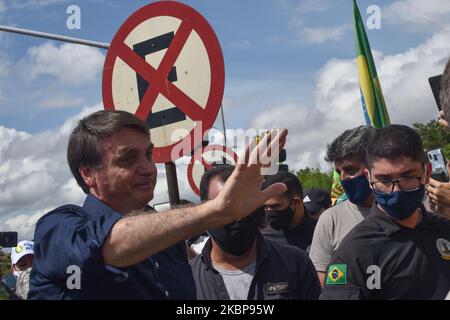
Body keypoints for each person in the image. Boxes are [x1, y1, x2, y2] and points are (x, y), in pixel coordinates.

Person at [28, 110, 288, 300]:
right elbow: (109, 246)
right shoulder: (59, 229)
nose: (148, 168)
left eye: (148, 155)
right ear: (88, 174)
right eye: (128, 159)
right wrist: (218, 210)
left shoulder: (169, 240)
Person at [320, 125, 450, 300]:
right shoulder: (354, 252)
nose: (395, 190)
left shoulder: (445, 229)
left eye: (407, 176)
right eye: (384, 179)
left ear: (426, 171)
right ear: (369, 177)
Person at [191, 165, 321, 300]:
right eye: (225, 207)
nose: (238, 215)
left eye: (245, 205)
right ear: (204, 211)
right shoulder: (188, 278)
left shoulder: (295, 263)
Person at [309, 126, 374, 286]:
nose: (343, 178)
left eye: (350, 170)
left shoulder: (414, 208)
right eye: (339, 172)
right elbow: (320, 285)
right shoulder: (330, 219)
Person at [261, 171, 317, 254]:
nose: (269, 212)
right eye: (266, 207)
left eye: (275, 206)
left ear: (296, 202)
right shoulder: (263, 239)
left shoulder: (320, 233)